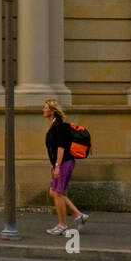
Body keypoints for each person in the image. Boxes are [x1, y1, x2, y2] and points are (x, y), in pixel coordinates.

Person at [43, 100, 88, 235]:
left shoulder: (59, 126)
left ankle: (62, 225)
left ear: (52, 111)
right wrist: (54, 164)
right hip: (61, 163)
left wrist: (57, 166)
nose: (43, 110)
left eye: (45, 108)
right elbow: (54, 148)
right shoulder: (54, 125)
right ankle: (79, 215)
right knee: (55, 192)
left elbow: (61, 147)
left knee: (57, 192)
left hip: (64, 163)